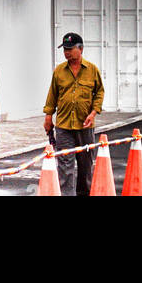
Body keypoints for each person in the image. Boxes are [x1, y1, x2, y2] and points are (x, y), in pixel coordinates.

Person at [43, 32, 106, 196]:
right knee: (65, 165)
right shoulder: (59, 71)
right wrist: (48, 117)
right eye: (65, 49)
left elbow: (99, 92)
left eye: (70, 49)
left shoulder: (92, 70)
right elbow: (52, 96)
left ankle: (83, 193)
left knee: (85, 165)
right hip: (64, 125)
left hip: (85, 126)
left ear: (81, 49)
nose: (67, 52)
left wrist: (93, 113)